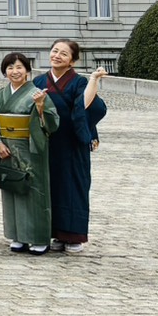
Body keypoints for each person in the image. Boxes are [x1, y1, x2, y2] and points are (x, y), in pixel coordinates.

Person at [0, 52, 60, 255]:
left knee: (34, 191)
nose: (14, 71)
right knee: (11, 188)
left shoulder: (37, 93)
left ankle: (38, 237)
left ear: (27, 70)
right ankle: (17, 236)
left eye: (19, 67)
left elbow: (51, 124)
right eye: (10, 68)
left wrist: (41, 107)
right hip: (6, 149)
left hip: (29, 147)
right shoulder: (0, 94)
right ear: (4, 72)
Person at [39, 40, 108, 252]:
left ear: (72, 60)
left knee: (74, 186)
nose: (57, 56)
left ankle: (74, 235)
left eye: (63, 53)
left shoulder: (78, 83)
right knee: (51, 186)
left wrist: (93, 80)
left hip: (72, 141)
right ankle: (56, 233)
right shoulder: (39, 81)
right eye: (54, 51)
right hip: (48, 141)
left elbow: (84, 107)